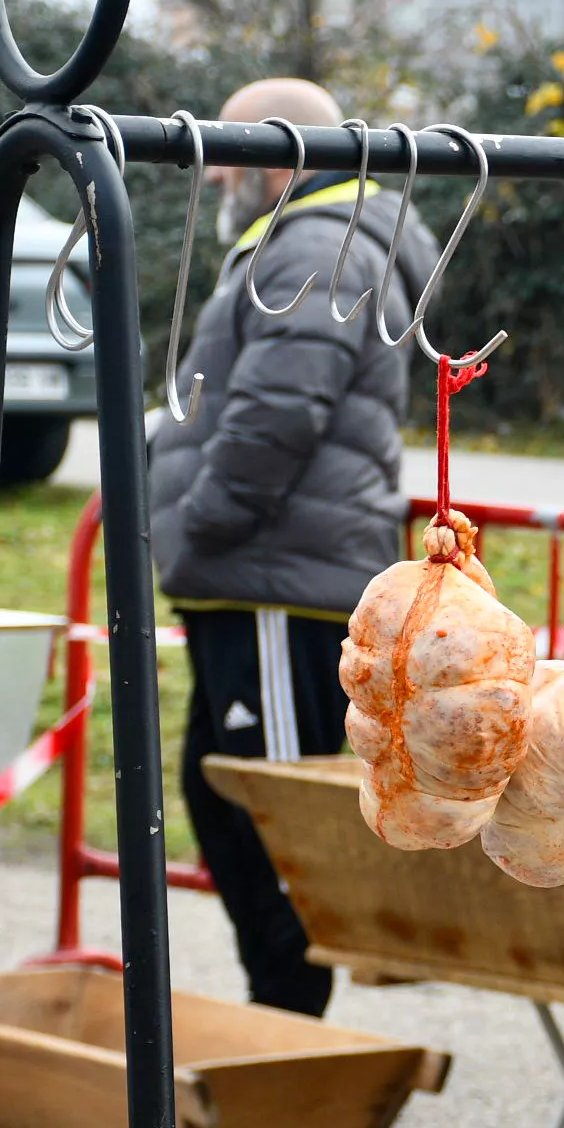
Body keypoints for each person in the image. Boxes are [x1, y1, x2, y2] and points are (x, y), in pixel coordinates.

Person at [147, 78, 434, 1019]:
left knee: (261, 810)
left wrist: (203, 519)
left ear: (282, 156)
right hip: (270, 572)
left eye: (233, 149)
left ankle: (286, 1016)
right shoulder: (310, 241)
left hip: (276, 571)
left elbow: (277, 414)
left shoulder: (316, 247)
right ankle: (281, 1006)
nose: (219, 169)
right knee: (229, 792)